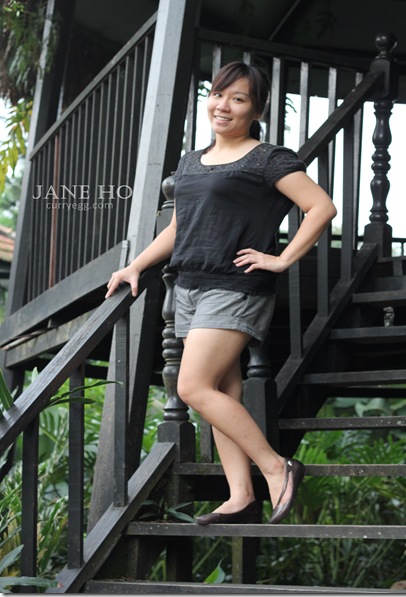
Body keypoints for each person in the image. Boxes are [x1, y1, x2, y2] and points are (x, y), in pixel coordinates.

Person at [106, 61, 336, 525]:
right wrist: (136, 265)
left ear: (257, 110)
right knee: (221, 389)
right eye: (217, 94)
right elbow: (178, 227)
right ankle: (240, 496)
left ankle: (277, 468)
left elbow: (321, 207)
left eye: (238, 98)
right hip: (189, 285)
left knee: (191, 386)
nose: (223, 106)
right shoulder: (192, 161)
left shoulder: (268, 158)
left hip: (235, 286)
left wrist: (282, 259)